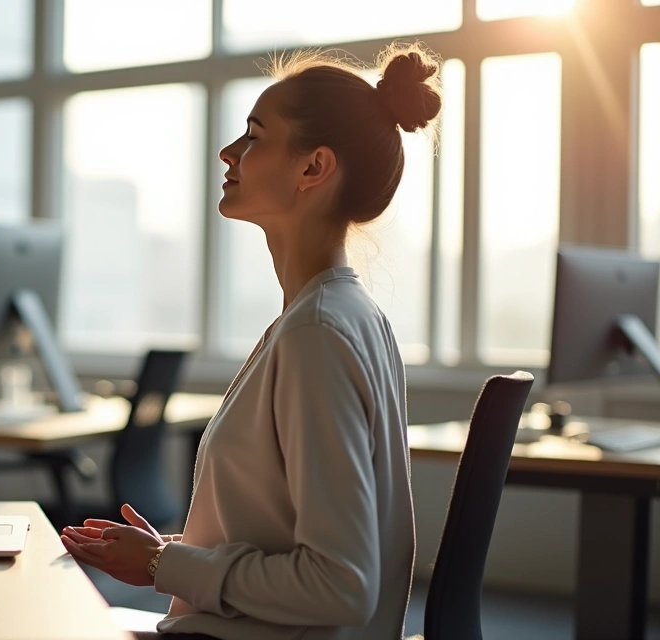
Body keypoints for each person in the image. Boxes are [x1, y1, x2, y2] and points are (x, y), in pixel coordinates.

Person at [60, 44, 442, 640]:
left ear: (312, 168)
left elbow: (340, 583)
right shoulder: (338, 315)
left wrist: (165, 565)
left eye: (254, 136)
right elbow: (287, 529)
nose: (228, 153)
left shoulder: (318, 332)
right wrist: (177, 552)